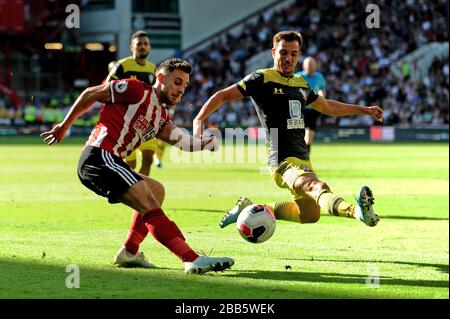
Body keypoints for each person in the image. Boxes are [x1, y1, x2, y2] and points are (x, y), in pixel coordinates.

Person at [41, 58, 234, 274]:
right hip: (98, 157)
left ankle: (129, 252)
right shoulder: (136, 90)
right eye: (177, 82)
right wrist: (64, 126)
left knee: (156, 190)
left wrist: (205, 143)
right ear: (160, 78)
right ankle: (191, 258)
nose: (181, 90)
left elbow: (182, 141)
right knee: (148, 202)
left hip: (110, 161)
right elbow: (91, 93)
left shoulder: (160, 115)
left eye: (185, 85)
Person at [193, 31, 383, 231]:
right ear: (274, 52)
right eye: (283, 53)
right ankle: (357, 212)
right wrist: (199, 119)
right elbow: (223, 95)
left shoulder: (301, 83)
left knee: (309, 215)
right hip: (281, 160)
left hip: (302, 158)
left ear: (299, 55)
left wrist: (365, 110)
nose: (288, 58)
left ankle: (248, 210)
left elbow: (328, 107)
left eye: (293, 54)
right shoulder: (261, 78)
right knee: (317, 187)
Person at [106, 30, 165, 176]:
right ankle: (131, 189)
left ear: (149, 47)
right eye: (139, 44)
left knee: (148, 158)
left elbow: (155, 94)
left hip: (145, 120)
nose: (143, 46)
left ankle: (141, 190)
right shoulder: (122, 66)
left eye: (146, 44)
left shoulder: (152, 68)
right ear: (132, 47)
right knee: (130, 163)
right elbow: (106, 88)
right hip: (125, 122)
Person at [295, 56, 326, 154]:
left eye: (312, 65)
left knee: (309, 136)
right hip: (300, 110)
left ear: (315, 66)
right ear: (304, 66)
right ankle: (299, 155)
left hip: (314, 109)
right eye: (308, 66)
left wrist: (321, 98)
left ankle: (305, 156)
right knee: (299, 134)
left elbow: (322, 90)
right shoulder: (297, 77)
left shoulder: (319, 77)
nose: (310, 68)